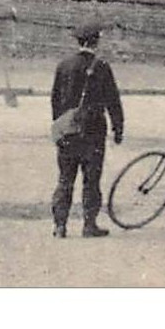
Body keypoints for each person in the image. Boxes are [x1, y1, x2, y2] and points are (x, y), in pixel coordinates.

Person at [49, 18, 125, 239]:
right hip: (93, 130)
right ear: (96, 41)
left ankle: (60, 225)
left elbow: (55, 99)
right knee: (91, 179)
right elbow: (113, 101)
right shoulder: (101, 67)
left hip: (68, 130)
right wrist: (118, 128)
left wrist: (60, 124)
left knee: (65, 178)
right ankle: (89, 224)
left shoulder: (63, 65)